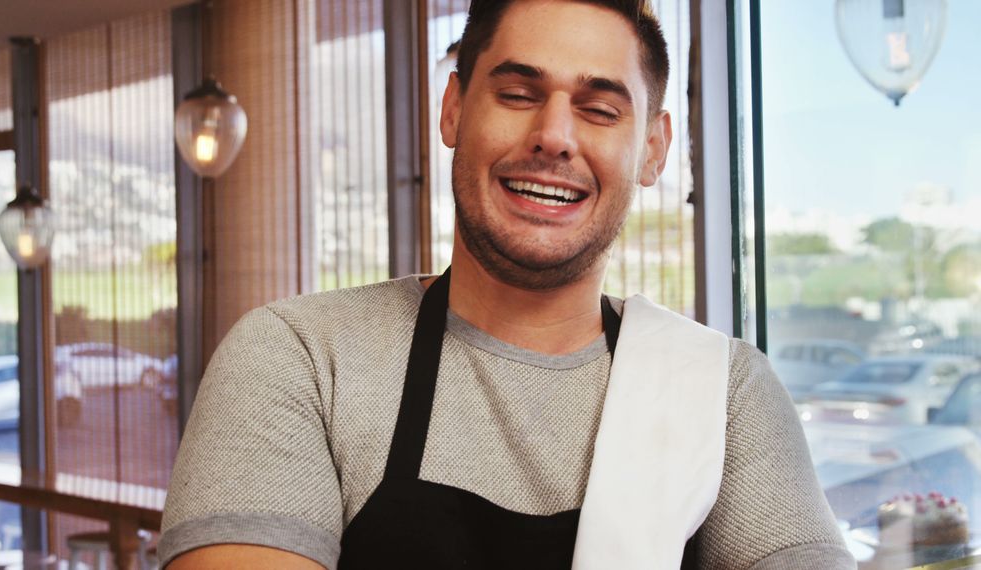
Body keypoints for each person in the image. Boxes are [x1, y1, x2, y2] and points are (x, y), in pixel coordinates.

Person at [159, 1, 856, 568]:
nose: (553, 136)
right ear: (454, 110)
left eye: (601, 109)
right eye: (518, 94)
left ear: (652, 149)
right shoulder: (302, 359)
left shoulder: (724, 393)